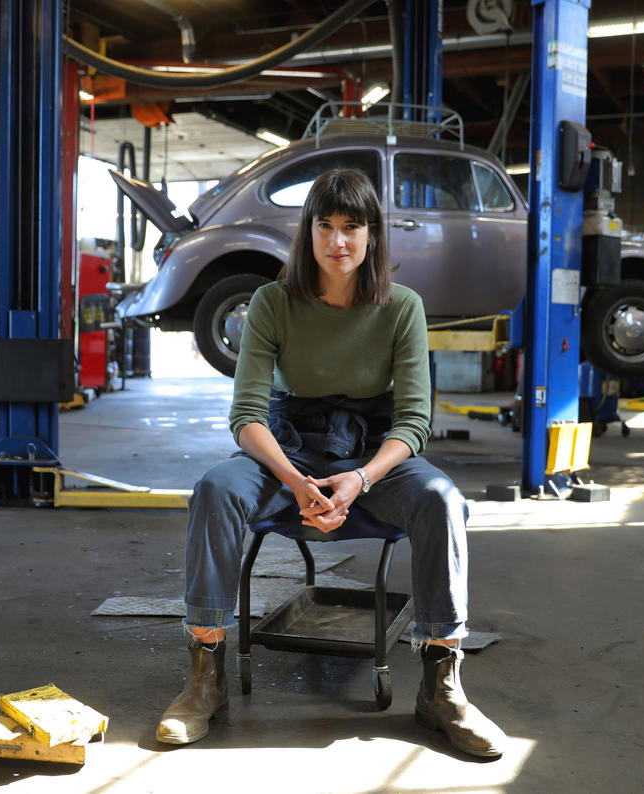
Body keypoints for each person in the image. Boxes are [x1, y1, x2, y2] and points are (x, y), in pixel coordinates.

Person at [156, 168, 507, 758]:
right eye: (325, 226)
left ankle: (441, 689)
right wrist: (295, 481)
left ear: (372, 235)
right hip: (288, 446)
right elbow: (246, 416)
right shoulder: (272, 302)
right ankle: (203, 678)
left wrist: (363, 477)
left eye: (352, 227)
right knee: (216, 490)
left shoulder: (402, 308)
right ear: (308, 232)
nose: (337, 241)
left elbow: (414, 422)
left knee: (442, 499)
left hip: (372, 452)